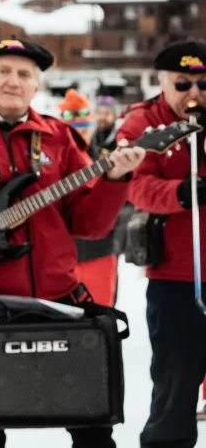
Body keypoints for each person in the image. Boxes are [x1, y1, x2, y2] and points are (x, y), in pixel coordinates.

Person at [0, 38, 145, 448]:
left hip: (60, 300)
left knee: (94, 427)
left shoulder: (58, 138)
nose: (13, 81)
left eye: (24, 74)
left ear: (36, 86)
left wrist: (115, 180)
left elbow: (90, 225)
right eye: (3, 70)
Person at [116, 39, 206, 448]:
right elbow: (135, 185)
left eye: (204, 84)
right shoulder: (143, 122)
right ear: (163, 81)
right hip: (176, 276)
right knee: (175, 378)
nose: (195, 93)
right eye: (183, 84)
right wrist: (183, 194)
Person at [59, 89, 122, 307]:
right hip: (58, 258)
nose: (81, 135)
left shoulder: (104, 158)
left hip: (99, 253)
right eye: (74, 130)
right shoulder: (48, 163)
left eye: (85, 128)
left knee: (100, 319)